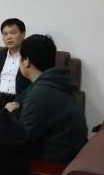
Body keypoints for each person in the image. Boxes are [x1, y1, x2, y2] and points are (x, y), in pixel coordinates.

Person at [11, 34, 88, 164]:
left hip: (53, 165)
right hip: (70, 157)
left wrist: (12, 113)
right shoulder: (56, 82)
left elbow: (22, 139)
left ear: (26, 61)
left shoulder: (40, 93)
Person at [0, 18, 30, 106]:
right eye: (5, 34)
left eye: (13, 33)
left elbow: (36, 84)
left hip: (18, 101)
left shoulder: (31, 57)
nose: (8, 37)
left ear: (23, 34)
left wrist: (18, 102)